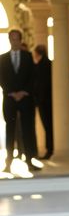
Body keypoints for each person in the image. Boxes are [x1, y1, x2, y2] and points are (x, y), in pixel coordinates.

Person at [0, 29, 39, 171]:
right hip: (9, 99)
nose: (14, 42)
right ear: (9, 40)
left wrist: (23, 92)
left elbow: (33, 77)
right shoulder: (2, 58)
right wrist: (11, 92)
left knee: (28, 129)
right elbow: (2, 78)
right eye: (12, 39)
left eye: (17, 39)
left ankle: (29, 161)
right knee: (10, 130)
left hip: (26, 99)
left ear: (20, 40)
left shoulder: (28, 56)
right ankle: (8, 163)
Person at [32, 45, 53, 160]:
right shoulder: (48, 64)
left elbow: (40, 84)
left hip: (43, 101)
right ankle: (49, 149)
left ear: (37, 53)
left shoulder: (40, 65)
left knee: (48, 126)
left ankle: (49, 149)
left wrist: (38, 99)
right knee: (48, 126)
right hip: (46, 100)